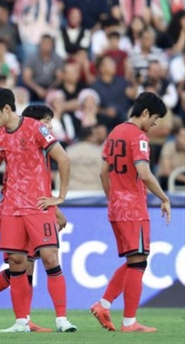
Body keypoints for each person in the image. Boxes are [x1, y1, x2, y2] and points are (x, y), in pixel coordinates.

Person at [0, 87, 77, 333]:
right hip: (11, 209)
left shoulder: (36, 128)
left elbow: (64, 159)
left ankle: (62, 320)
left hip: (38, 207)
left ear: (7, 108)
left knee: (49, 258)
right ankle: (21, 322)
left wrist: (60, 197)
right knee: (17, 263)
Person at [90, 92, 171, 333]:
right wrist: (164, 198)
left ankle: (104, 304)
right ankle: (128, 321)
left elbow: (103, 173)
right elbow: (144, 174)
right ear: (145, 113)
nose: (154, 125)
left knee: (134, 260)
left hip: (116, 206)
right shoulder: (139, 137)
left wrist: (112, 198)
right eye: (154, 119)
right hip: (133, 208)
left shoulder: (114, 132)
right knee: (139, 262)